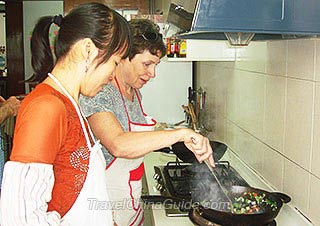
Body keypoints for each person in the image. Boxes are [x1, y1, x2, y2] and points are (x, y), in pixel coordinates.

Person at [0, 3, 132, 226]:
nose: (113, 76)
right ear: (88, 50)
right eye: (115, 63)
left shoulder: (71, 104)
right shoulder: (46, 108)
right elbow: (19, 219)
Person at [79, 19, 214, 226]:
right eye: (147, 64)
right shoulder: (100, 92)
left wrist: (173, 133)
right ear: (123, 57)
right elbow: (118, 144)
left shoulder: (134, 92)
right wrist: (181, 133)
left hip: (130, 201)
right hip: (104, 208)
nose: (153, 74)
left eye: (156, 65)